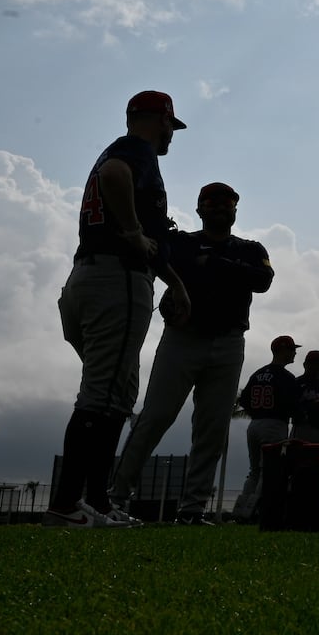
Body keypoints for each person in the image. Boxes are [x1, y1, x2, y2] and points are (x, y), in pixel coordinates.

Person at [44, 91, 192, 529]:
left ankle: (96, 503)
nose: (171, 134)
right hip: (117, 280)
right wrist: (130, 231)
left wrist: (177, 283)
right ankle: (67, 505)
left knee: (118, 393)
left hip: (93, 276)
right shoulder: (133, 150)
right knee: (102, 394)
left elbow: (145, 237)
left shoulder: (125, 152)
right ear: (157, 119)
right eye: (170, 124)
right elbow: (114, 175)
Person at [109, 182, 274, 525]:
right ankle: (116, 497)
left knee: (212, 428)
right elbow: (155, 260)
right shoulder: (181, 242)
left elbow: (263, 279)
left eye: (226, 202)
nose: (218, 208)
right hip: (182, 339)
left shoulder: (251, 247)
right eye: (210, 202)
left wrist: (212, 262)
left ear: (235, 210)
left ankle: (193, 509)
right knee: (154, 417)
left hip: (229, 342)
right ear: (199, 209)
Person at [232, 334, 301, 523]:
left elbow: (244, 399)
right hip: (274, 425)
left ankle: (239, 511)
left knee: (254, 471)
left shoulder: (258, 373)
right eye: (292, 349)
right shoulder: (286, 376)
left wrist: (257, 412)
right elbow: (294, 405)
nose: (295, 352)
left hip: (254, 424)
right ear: (283, 350)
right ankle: (254, 512)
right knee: (268, 471)